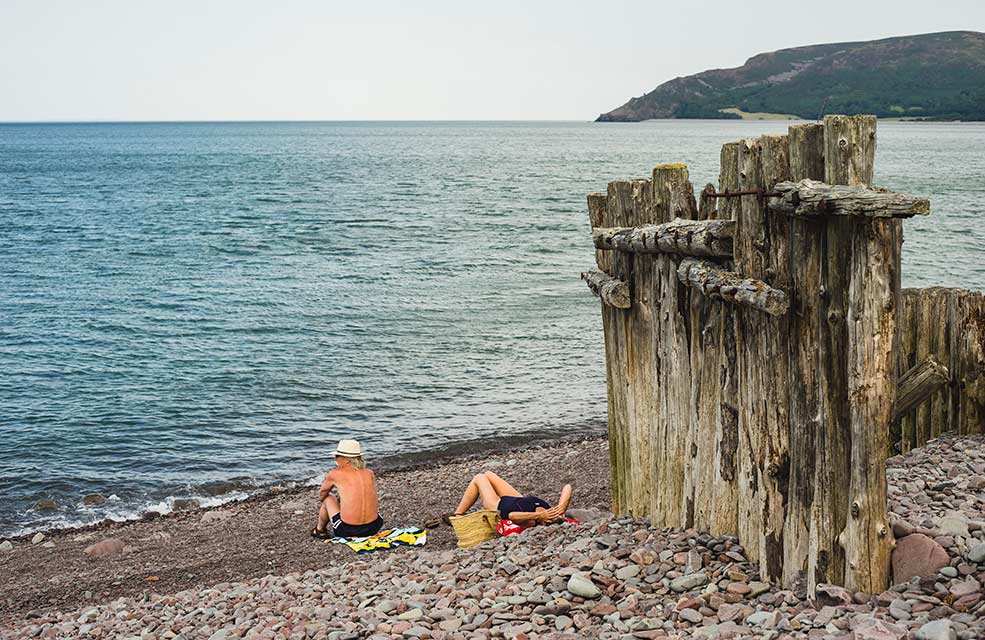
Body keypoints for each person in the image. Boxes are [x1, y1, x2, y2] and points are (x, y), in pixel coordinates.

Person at [311, 439, 383, 539]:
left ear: (347, 459)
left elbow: (322, 493)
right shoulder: (369, 472)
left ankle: (319, 530)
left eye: (337, 456)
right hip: (375, 526)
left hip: (348, 530)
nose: (335, 459)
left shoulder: (335, 474)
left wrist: (332, 503)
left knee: (328, 498)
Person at [449, 471, 572, 528]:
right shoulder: (554, 512)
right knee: (489, 474)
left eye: (558, 517)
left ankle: (457, 516)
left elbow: (512, 516)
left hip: (497, 504)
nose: (560, 515)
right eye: (560, 516)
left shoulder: (533, 520)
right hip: (517, 498)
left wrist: (538, 516)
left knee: (479, 478)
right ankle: (457, 515)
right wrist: (562, 506)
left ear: (546, 522)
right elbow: (568, 487)